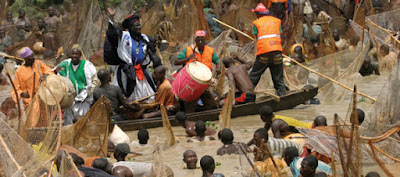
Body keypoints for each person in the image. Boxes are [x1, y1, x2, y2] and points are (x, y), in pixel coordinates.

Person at [106, 8, 161, 103]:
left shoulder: (145, 39)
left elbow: (152, 54)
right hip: (126, 72)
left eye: (139, 25)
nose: (139, 27)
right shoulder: (123, 36)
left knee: (148, 96)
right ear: (130, 27)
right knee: (126, 97)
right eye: (136, 26)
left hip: (142, 72)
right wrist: (111, 17)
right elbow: (112, 33)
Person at [175, 30, 219, 113]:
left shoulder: (210, 50)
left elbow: (217, 61)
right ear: (195, 41)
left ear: (205, 40)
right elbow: (176, 62)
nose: (200, 42)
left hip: (204, 82)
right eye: (198, 40)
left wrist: (218, 68)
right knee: (190, 107)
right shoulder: (188, 50)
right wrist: (188, 58)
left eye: (202, 40)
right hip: (191, 84)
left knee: (212, 106)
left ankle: (202, 112)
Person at [250, 3, 286, 96]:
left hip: (263, 54)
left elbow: (257, 37)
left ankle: (247, 97)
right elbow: (279, 34)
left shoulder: (256, 23)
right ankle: (282, 96)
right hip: (277, 53)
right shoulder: (277, 21)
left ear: (258, 14)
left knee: (254, 77)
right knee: (278, 79)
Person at [56, 47, 97, 125]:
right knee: (69, 123)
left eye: (76, 54)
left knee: (83, 121)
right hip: (69, 101)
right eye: (73, 54)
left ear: (80, 56)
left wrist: (89, 92)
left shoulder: (87, 65)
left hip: (83, 100)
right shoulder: (65, 64)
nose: (74, 56)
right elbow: (56, 75)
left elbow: (94, 80)